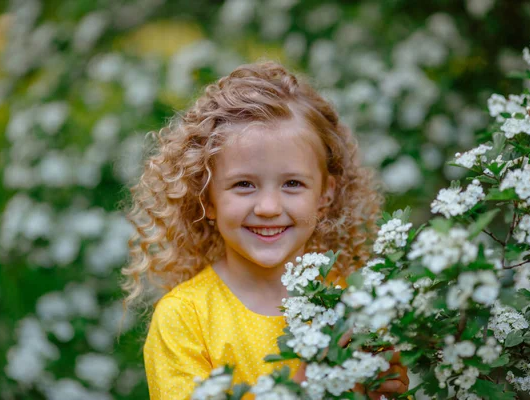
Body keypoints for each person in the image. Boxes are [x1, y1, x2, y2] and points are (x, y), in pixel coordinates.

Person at [121, 61, 408, 399]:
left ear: (325, 194)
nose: (269, 207)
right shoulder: (185, 318)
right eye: (244, 184)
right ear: (207, 198)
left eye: (292, 183)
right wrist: (306, 384)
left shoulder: (354, 299)